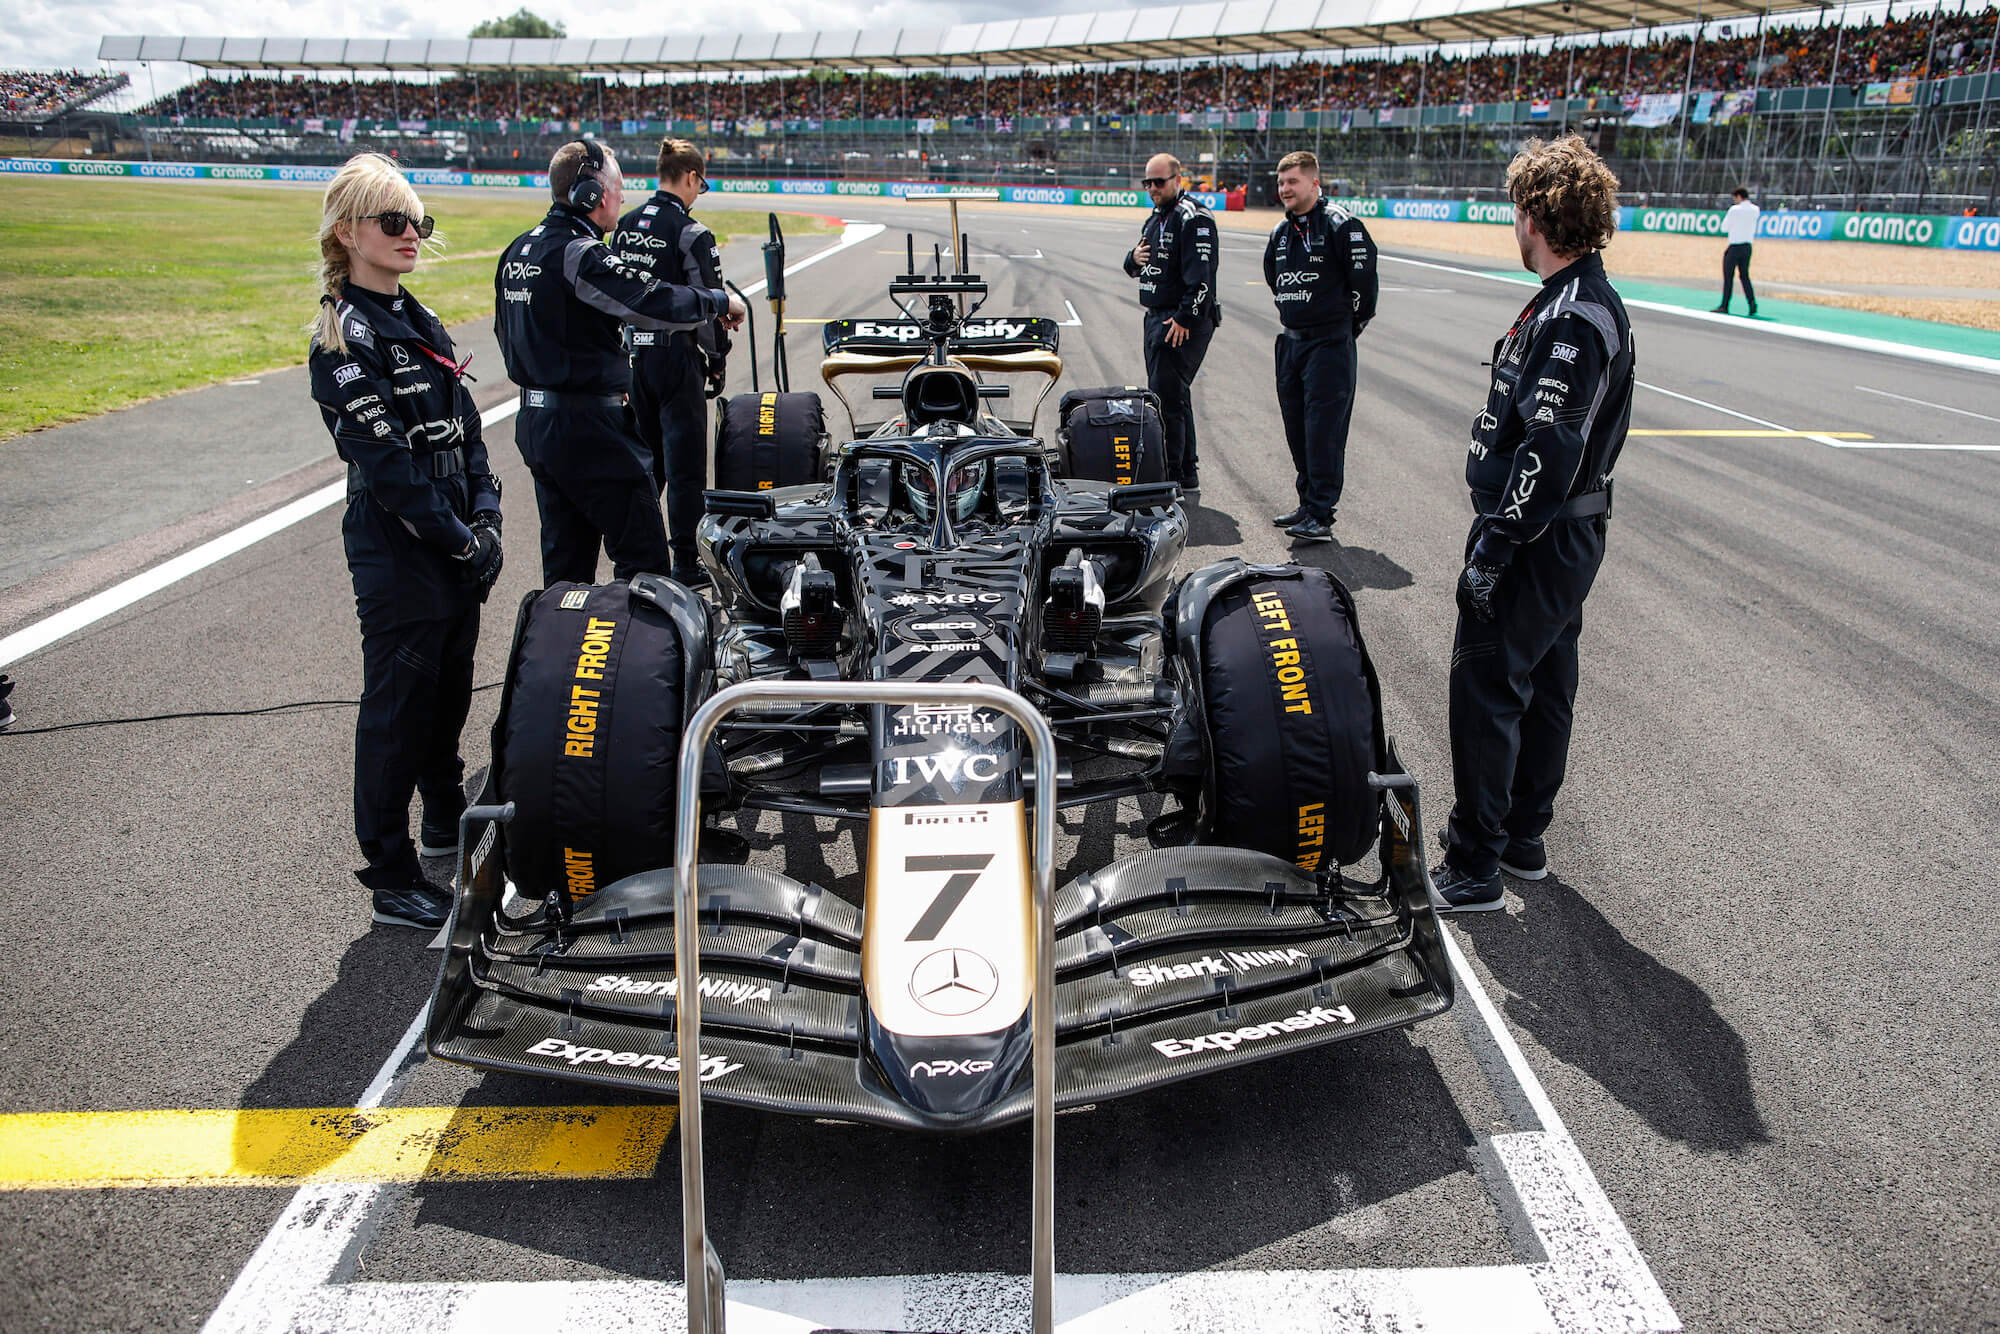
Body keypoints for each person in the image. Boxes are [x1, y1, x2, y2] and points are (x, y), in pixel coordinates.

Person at [1434, 134, 1634, 913]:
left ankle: (1474, 863)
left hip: (1539, 533)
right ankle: (1521, 837)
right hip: (1565, 531)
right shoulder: (1573, 298)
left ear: (1533, 214)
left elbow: (1551, 447)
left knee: (1487, 685)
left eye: (1514, 211)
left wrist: (1497, 541)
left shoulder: (1574, 313)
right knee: (1546, 681)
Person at [307, 152, 505, 931]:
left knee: (449, 690)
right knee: (397, 706)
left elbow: (471, 432)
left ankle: (442, 818)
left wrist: (485, 521)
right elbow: (388, 468)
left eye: (417, 222)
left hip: (454, 535)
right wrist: (460, 540)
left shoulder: (420, 319)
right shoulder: (341, 338)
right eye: (392, 222)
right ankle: (389, 871)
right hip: (400, 550)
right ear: (348, 232)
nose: (409, 235)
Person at [494, 139, 746, 587]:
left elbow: (503, 334)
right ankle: (643, 655)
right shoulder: (579, 252)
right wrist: (718, 301)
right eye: (618, 187)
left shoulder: (516, 249)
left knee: (565, 571)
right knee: (645, 566)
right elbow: (649, 300)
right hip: (589, 426)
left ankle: (564, 652)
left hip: (536, 422)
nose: (623, 197)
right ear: (591, 194)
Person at [612, 138, 732, 588]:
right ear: (690, 177)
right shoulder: (692, 232)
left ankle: (638, 558)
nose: (699, 192)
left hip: (631, 360)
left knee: (644, 465)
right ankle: (684, 561)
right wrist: (716, 359)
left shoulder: (623, 226)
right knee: (683, 468)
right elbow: (708, 307)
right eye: (701, 184)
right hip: (675, 359)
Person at [1262, 150, 1378, 544]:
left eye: (1292, 182)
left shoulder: (1342, 226)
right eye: (1280, 183)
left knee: (1322, 432)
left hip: (1329, 347)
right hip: (1290, 345)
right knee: (1297, 429)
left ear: (1314, 183)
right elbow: (1272, 279)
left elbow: (1366, 291)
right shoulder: (1280, 233)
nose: (1284, 189)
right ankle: (1306, 503)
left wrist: (1342, 330)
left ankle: (1321, 514)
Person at [1122, 153, 1219, 497]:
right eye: (1147, 182)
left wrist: (1184, 318)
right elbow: (1133, 264)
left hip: (1180, 320)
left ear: (1179, 180)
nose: (1151, 188)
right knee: (1173, 396)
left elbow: (1202, 280)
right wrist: (1132, 259)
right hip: (1156, 316)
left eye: (1158, 182)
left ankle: (1174, 475)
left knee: (1167, 399)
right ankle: (1186, 471)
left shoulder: (1194, 219)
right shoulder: (1155, 218)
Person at [1712, 186, 1759, 317]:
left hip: (1735, 246)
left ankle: (1725, 305)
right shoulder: (1755, 210)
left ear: (1739, 196)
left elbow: (1725, 227)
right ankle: (1752, 302)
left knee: (1728, 277)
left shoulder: (1734, 210)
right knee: (1744, 276)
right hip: (1747, 246)